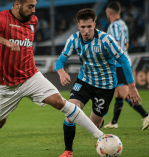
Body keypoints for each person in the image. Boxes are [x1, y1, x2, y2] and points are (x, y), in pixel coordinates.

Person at [0, 0, 125, 157]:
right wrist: (6, 42)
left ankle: (101, 137)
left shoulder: (32, 20)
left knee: (60, 102)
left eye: (35, 6)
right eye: (30, 6)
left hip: (31, 76)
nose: (34, 10)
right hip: (8, 85)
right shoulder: (3, 18)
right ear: (17, 4)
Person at [55, 8, 142, 157]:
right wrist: (61, 72)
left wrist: (132, 87)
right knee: (70, 114)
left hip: (105, 86)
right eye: (83, 27)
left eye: (89, 26)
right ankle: (68, 151)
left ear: (95, 24)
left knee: (93, 125)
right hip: (84, 81)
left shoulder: (106, 40)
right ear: (78, 26)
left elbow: (123, 60)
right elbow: (60, 61)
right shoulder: (74, 39)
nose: (86, 30)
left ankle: (100, 121)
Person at [103, 2, 149, 130]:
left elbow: (117, 46)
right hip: (124, 60)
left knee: (124, 93)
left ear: (109, 13)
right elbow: (126, 45)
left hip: (118, 63)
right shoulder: (123, 25)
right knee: (118, 93)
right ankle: (114, 122)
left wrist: (113, 60)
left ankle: (145, 115)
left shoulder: (113, 26)